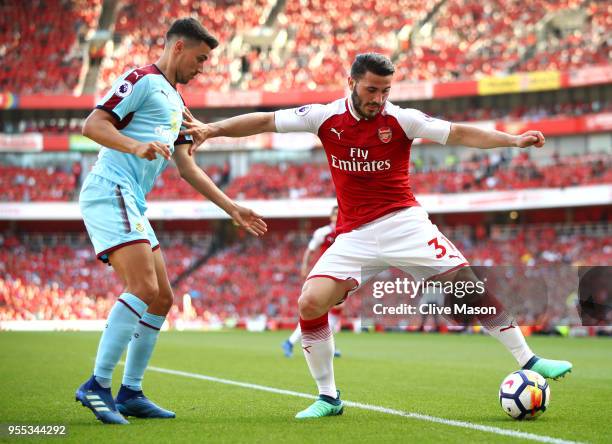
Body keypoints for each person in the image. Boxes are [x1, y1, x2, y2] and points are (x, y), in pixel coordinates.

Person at [181, 53, 572, 419]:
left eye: (386, 91)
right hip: (355, 235)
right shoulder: (323, 116)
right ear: (351, 82)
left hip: (405, 223)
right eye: (371, 90)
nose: (379, 99)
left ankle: (529, 360)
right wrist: (211, 129)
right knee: (310, 301)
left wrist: (512, 139)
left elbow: (457, 134)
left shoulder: (401, 119)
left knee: (466, 286)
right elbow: (265, 122)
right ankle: (328, 396)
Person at [76, 18, 267, 425]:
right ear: (177, 48)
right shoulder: (141, 79)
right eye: (199, 59)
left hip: (132, 200)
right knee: (143, 287)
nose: (202, 68)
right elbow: (92, 124)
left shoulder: (177, 102)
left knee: (162, 298)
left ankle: (130, 392)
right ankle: (97, 384)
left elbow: (186, 166)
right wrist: (135, 144)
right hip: (110, 188)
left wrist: (232, 207)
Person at [283, 206, 343, 358]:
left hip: (341, 274)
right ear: (331, 217)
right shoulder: (323, 232)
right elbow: (310, 251)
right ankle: (290, 342)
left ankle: (328, 345)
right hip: (326, 273)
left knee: (336, 309)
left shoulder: (346, 232)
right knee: (320, 310)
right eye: (335, 214)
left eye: (339, 214)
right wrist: (304, 268)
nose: (337, 217)